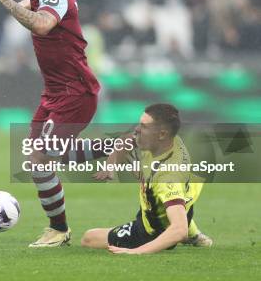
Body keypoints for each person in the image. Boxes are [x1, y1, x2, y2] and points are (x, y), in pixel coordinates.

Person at [0, 0, 100, 247]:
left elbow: (41, 25)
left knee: (41, 158)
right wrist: (13, 3)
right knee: (38, 159)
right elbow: (29, 10)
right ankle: (124, 149)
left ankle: (59, 229)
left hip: (75, 91)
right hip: (54, 93)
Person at [82, 103, 213, 253]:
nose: (138, 129)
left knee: (89, 238)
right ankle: (193, 232)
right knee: (168, 200)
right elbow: (126, 140)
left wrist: (136, 251)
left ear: (162, 134)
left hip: (153, 230)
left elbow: (178, 231)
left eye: (144, 126)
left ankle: (184, 231)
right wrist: (110, 164)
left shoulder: (167, 176)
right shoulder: (168, 142)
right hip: (183, 205)